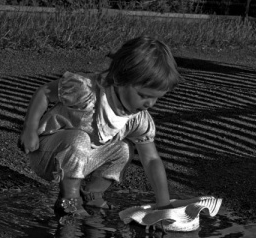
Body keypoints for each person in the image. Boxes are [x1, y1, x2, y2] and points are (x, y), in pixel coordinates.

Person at [18, 35, 180, 220]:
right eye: (143, 95)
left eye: (156, 98)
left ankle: (92, 193)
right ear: (119, 79)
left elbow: (151, 159)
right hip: (47, 154)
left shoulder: (138, 118)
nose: (149, 104)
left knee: (124, 149)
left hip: (81, 160)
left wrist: (163, 204)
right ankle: (69, 200)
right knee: (80, 138)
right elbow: (45, 92)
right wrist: (29, 129)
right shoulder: (86, 91)